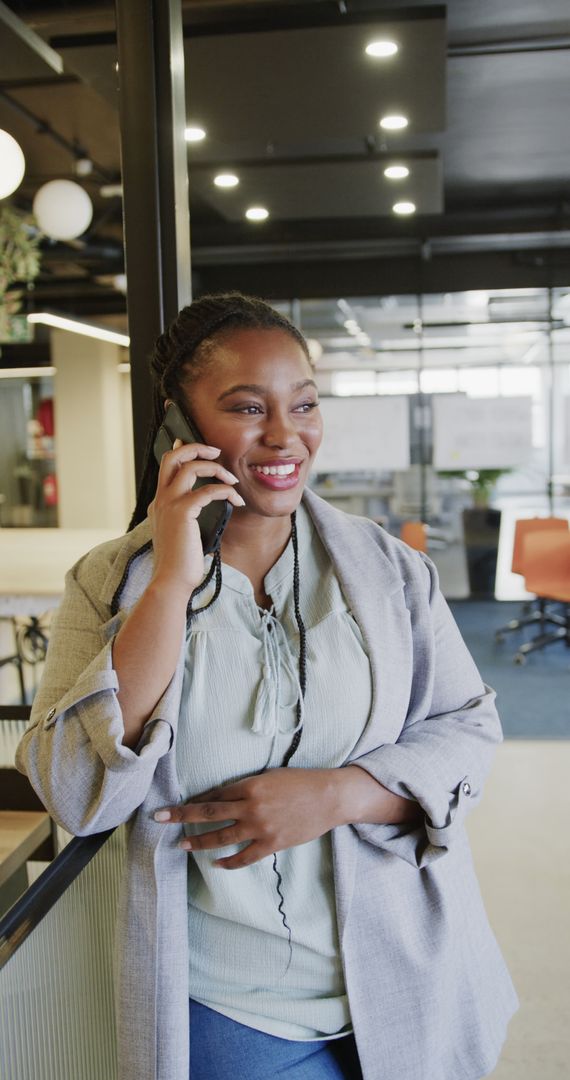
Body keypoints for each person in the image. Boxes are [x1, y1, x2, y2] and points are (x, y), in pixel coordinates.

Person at [17, 292, 518, 1080]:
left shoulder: (388, 570)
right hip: (231, 1011)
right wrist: (171, 587)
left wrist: (339, 794)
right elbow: (78, 794)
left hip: (404, 975)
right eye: (247, 408)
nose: (286, 435)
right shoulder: (107, 584)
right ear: (178, 429)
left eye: (304, 405)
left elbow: (469, 730)